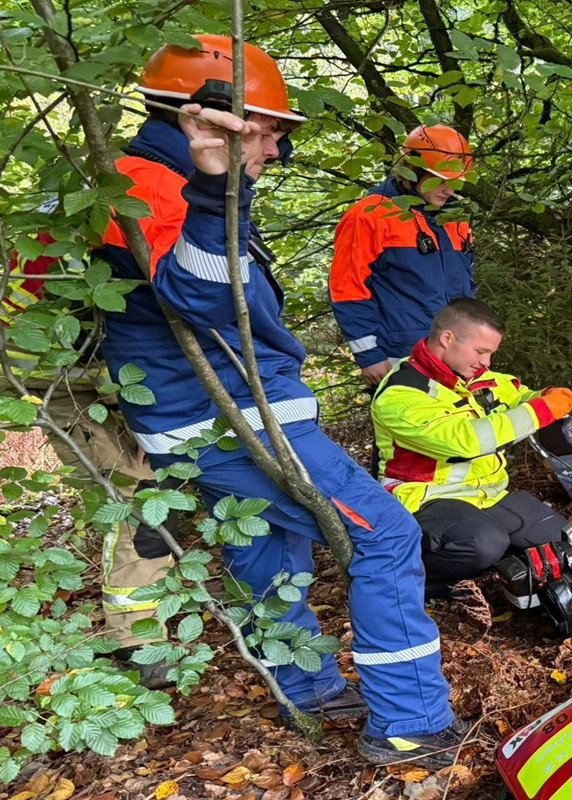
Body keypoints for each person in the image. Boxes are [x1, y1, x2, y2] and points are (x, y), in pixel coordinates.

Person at [96, 35, 465, 767]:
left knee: (269, 551)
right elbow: (199, 298)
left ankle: (313, 691)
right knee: (385, 536)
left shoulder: (163, 181)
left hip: (221, 415)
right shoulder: (151, 186)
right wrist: (214, 187)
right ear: (212, 120)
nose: (275, 152)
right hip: (226, 419)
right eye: (272, 133)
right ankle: (411, 722)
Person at [2, 221, 177, 688]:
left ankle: (153, 614)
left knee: (142, 498)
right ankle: (137, 642)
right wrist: (149, 418)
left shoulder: (61, 236)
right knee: (136, 500)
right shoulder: (86, 251)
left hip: (76, 383)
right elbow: (106, 344)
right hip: (62, 388)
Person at [371, 299, 572, 598]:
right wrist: (542, 411)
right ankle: (413, 585)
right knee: (484, 543)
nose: (487, 362)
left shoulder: (476, 377)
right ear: (447, 338)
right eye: (481, 351)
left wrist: (546, 396)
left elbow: (520, 396)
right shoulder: (401, 395)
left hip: (486, 495)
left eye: (491, 353)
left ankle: (500, 565)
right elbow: (466, 441)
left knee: (563, 538)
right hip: (425, 499)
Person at [329, 125, 475, 386]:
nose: (449, 189)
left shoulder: (455, 218)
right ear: (413, 170)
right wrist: (368, 354)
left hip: (456, 353)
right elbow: (347, 288)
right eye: (439, 179)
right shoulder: (370, 214)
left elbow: (465, 285)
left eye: (454, 181)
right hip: (400, 353)